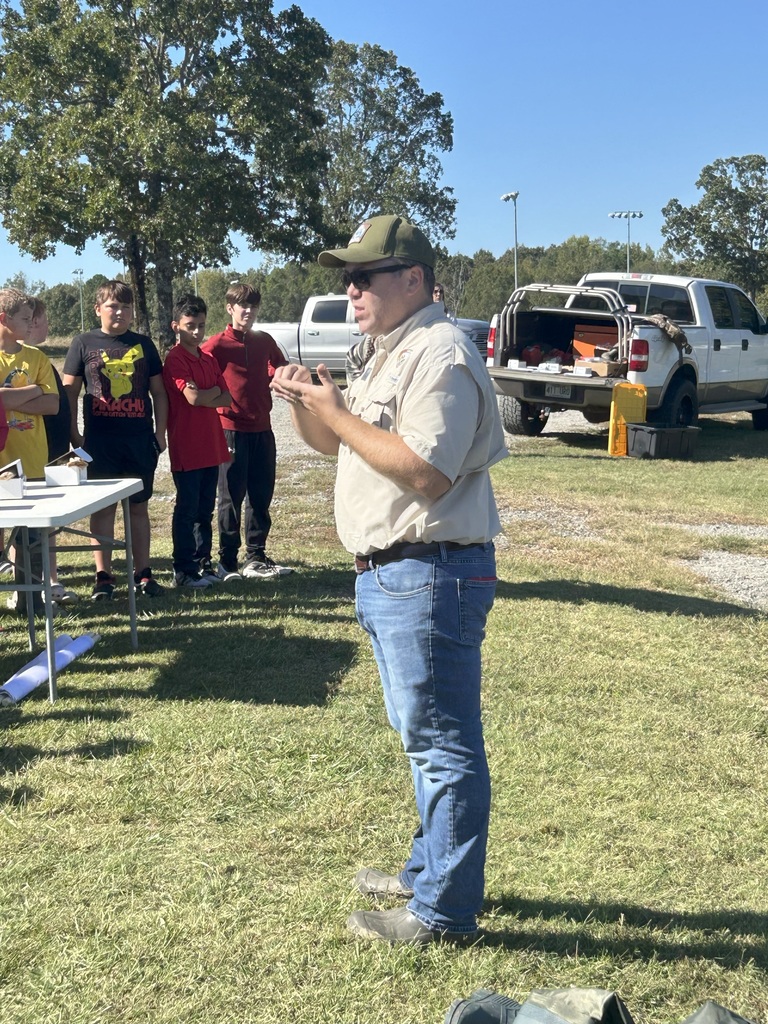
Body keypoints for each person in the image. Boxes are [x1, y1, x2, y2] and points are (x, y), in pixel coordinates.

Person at [271, 215, 507, 945]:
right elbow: (346, 448)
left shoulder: (440, 352)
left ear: (412, 279)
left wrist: (338, 410)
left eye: (364, 276)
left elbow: (425, 473)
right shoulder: (387, 351)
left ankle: (444, 913)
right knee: (423, 737)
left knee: (441, 744)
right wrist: (313, 408)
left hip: (428, 571)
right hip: (394, 573)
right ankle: (427, 874)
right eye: (347, 278)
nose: (350, 290)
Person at [62, 280, 168, 600]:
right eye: (112, 306)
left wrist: (159, 435)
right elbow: (69, 392)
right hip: (100, 442)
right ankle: (103, 577)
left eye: (125, 306)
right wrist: (73, 434)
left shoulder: (144, 345)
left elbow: (159, 393)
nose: (119, 312)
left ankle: (143, 573)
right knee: (104, 510)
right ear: (98, 309)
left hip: (138, 439)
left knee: (138, 507)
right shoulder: (83, 343)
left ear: (133, 311)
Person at [201, 282, 292, 580]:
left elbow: (279, 368)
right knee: (230, 497)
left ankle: (255, 556)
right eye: (243, 305)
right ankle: (227, 561)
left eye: (253, 306)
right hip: (230, 430)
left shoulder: (264, 340)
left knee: (261, 495)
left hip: (263, 429)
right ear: (230, 308)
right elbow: (196, 369)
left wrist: (280, 377)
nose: (249, 311)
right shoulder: (216, 345)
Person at [163, 294, 232, 588]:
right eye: (190, 325)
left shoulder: (208, 358)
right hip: (187, 447)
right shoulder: (175, 359)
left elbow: (226, 397)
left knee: (205, 509)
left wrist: (208, 395)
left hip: (211, 446)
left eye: (201, 325)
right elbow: (192, 398)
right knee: (187, 509)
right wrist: (209, 394)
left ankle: (203, 563)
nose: (196, 332)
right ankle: (183, 569)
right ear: (176, 326)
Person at [0, 287, 59, 611]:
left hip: (32, 460)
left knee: (32, 538)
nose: (30, 324)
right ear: (3, 319)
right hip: (1, 461)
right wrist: (32, 390)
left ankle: (30, 601)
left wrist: (9, 397)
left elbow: (52, 405)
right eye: (24, 318)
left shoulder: (36, 357)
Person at [25, 296, 79, 605]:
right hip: (31, 452)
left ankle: (51, 579)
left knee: (46, 524)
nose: (48, 326)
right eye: (44, 320)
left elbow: (54, 403)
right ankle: (33, 587)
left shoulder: (41, 360)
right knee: (30, 526)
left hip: (52, 450)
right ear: (32, 322)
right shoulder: (23, 363)